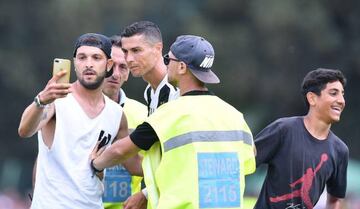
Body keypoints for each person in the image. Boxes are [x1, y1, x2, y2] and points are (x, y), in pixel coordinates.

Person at [90, 35, 256, 209]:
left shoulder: (169, 114)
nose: (165, 64)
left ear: (182, 67)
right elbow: (249, 159)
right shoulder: (234, 115)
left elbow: (121, 150)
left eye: (168, 59)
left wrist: (96, 163)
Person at [18, 33, 141, 209]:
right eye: (82, 57)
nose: (88, 64)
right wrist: (40, 101)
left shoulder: (116, 115)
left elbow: (134, 165)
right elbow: (25, 130)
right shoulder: (56, 99)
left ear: (108, 65)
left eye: (96, 57)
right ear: (75, 63)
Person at [254, 68, 348, 209]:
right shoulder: (283, 130)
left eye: (342, 94)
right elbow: (242, 164)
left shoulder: (340, 150)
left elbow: (335, 200)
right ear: (312, 98)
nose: (341, 100)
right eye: (333, 93)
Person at [120, 20, 179, 208]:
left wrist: (144, 193)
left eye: (136, 50)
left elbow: (180, 156)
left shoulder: (177, 91)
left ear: (158, 48)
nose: (129, 59)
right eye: (125, 51)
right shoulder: (150, 92)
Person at [102, 36, 148, 209]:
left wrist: (146, 193)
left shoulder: (145, 114)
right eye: (110, 65)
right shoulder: (73, 107)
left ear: (128, 73)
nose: (115, 73)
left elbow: (162, 163)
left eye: (123, 67)